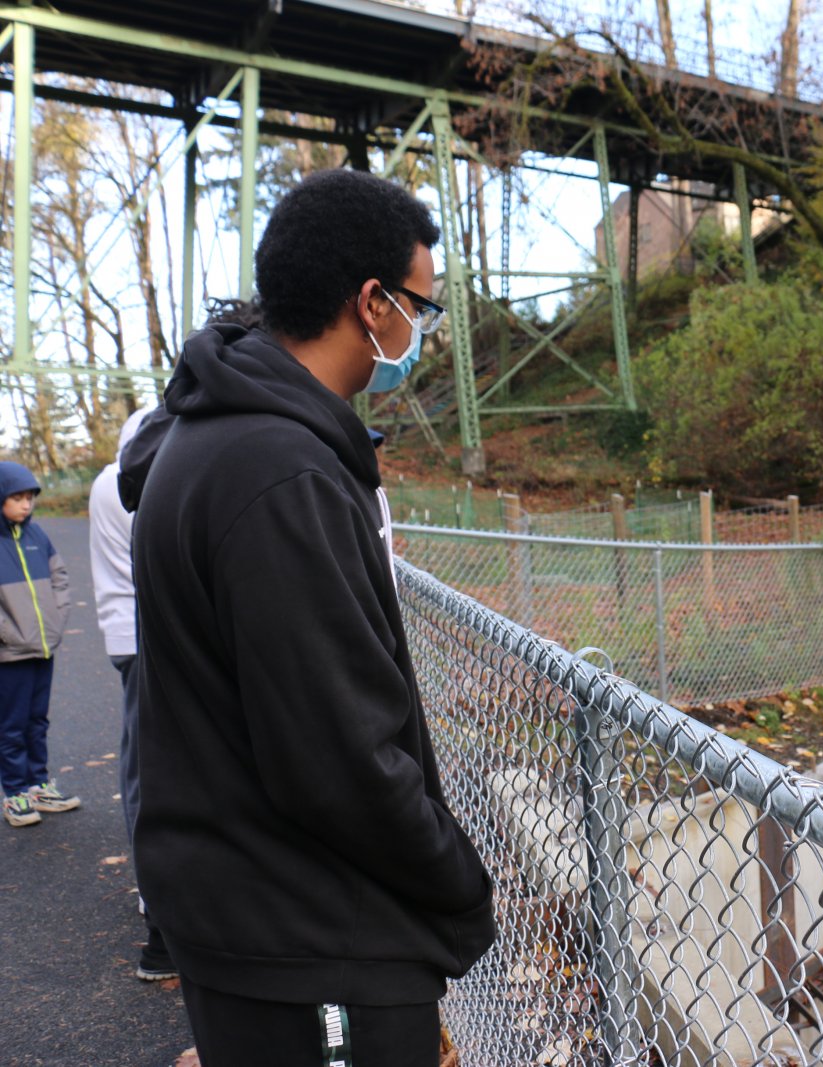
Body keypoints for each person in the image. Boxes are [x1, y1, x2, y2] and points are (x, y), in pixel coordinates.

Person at [122, 169, 495, 1067]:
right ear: (371, 302)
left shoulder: (211, 437)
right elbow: (338, 754)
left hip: (252, 913)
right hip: (310, 936)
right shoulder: (278, 471)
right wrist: (459, 885)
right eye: (421, 308)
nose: (421, 334)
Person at [88, 405, 179, 980]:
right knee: (153, 769)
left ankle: (165, 916)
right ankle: (162, 921)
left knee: (147, 766)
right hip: (150, 629)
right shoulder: (155, 465)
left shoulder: (119, 470)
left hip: (135, 630)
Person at [0, 461, 76, 828]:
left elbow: (59, 577)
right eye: (17, 498)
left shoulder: (37, 536)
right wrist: (9, 634)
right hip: (9, 653)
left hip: (42, 647)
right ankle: (14, 792)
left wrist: (56, 620)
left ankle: (37, 785)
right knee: (11, 725)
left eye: (29, 497)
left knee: (36, 720)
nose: (26, 505)